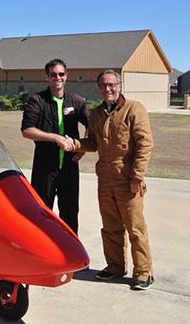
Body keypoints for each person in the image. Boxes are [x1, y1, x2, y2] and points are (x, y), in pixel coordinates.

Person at [67, 69, 154, 290]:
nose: (108, 89)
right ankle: (115, 266)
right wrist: (75, 144)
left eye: (112, 85)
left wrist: (137, 175)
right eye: (104, 86)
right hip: (105, 180)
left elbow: (145, 144)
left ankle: (144, 272)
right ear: (98, 88)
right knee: (110, 227)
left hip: (128, 180)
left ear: (119, 86)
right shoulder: (96, 114)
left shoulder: (134, 109)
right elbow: (93, 143)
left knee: (135, 229)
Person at [21, 58, 90, 234]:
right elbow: (27, 130)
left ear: (66, 76)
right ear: (47, 77)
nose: (57, 78)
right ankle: (40, 254)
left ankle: (71, 256)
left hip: (69, 167)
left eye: (61, 74)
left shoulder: (76, 101)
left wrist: (82, 146)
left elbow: (93, 125)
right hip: (45, 167)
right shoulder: (37, 101)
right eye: (53, 75)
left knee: (70, 213)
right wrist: (55, 138)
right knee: (42, 213)